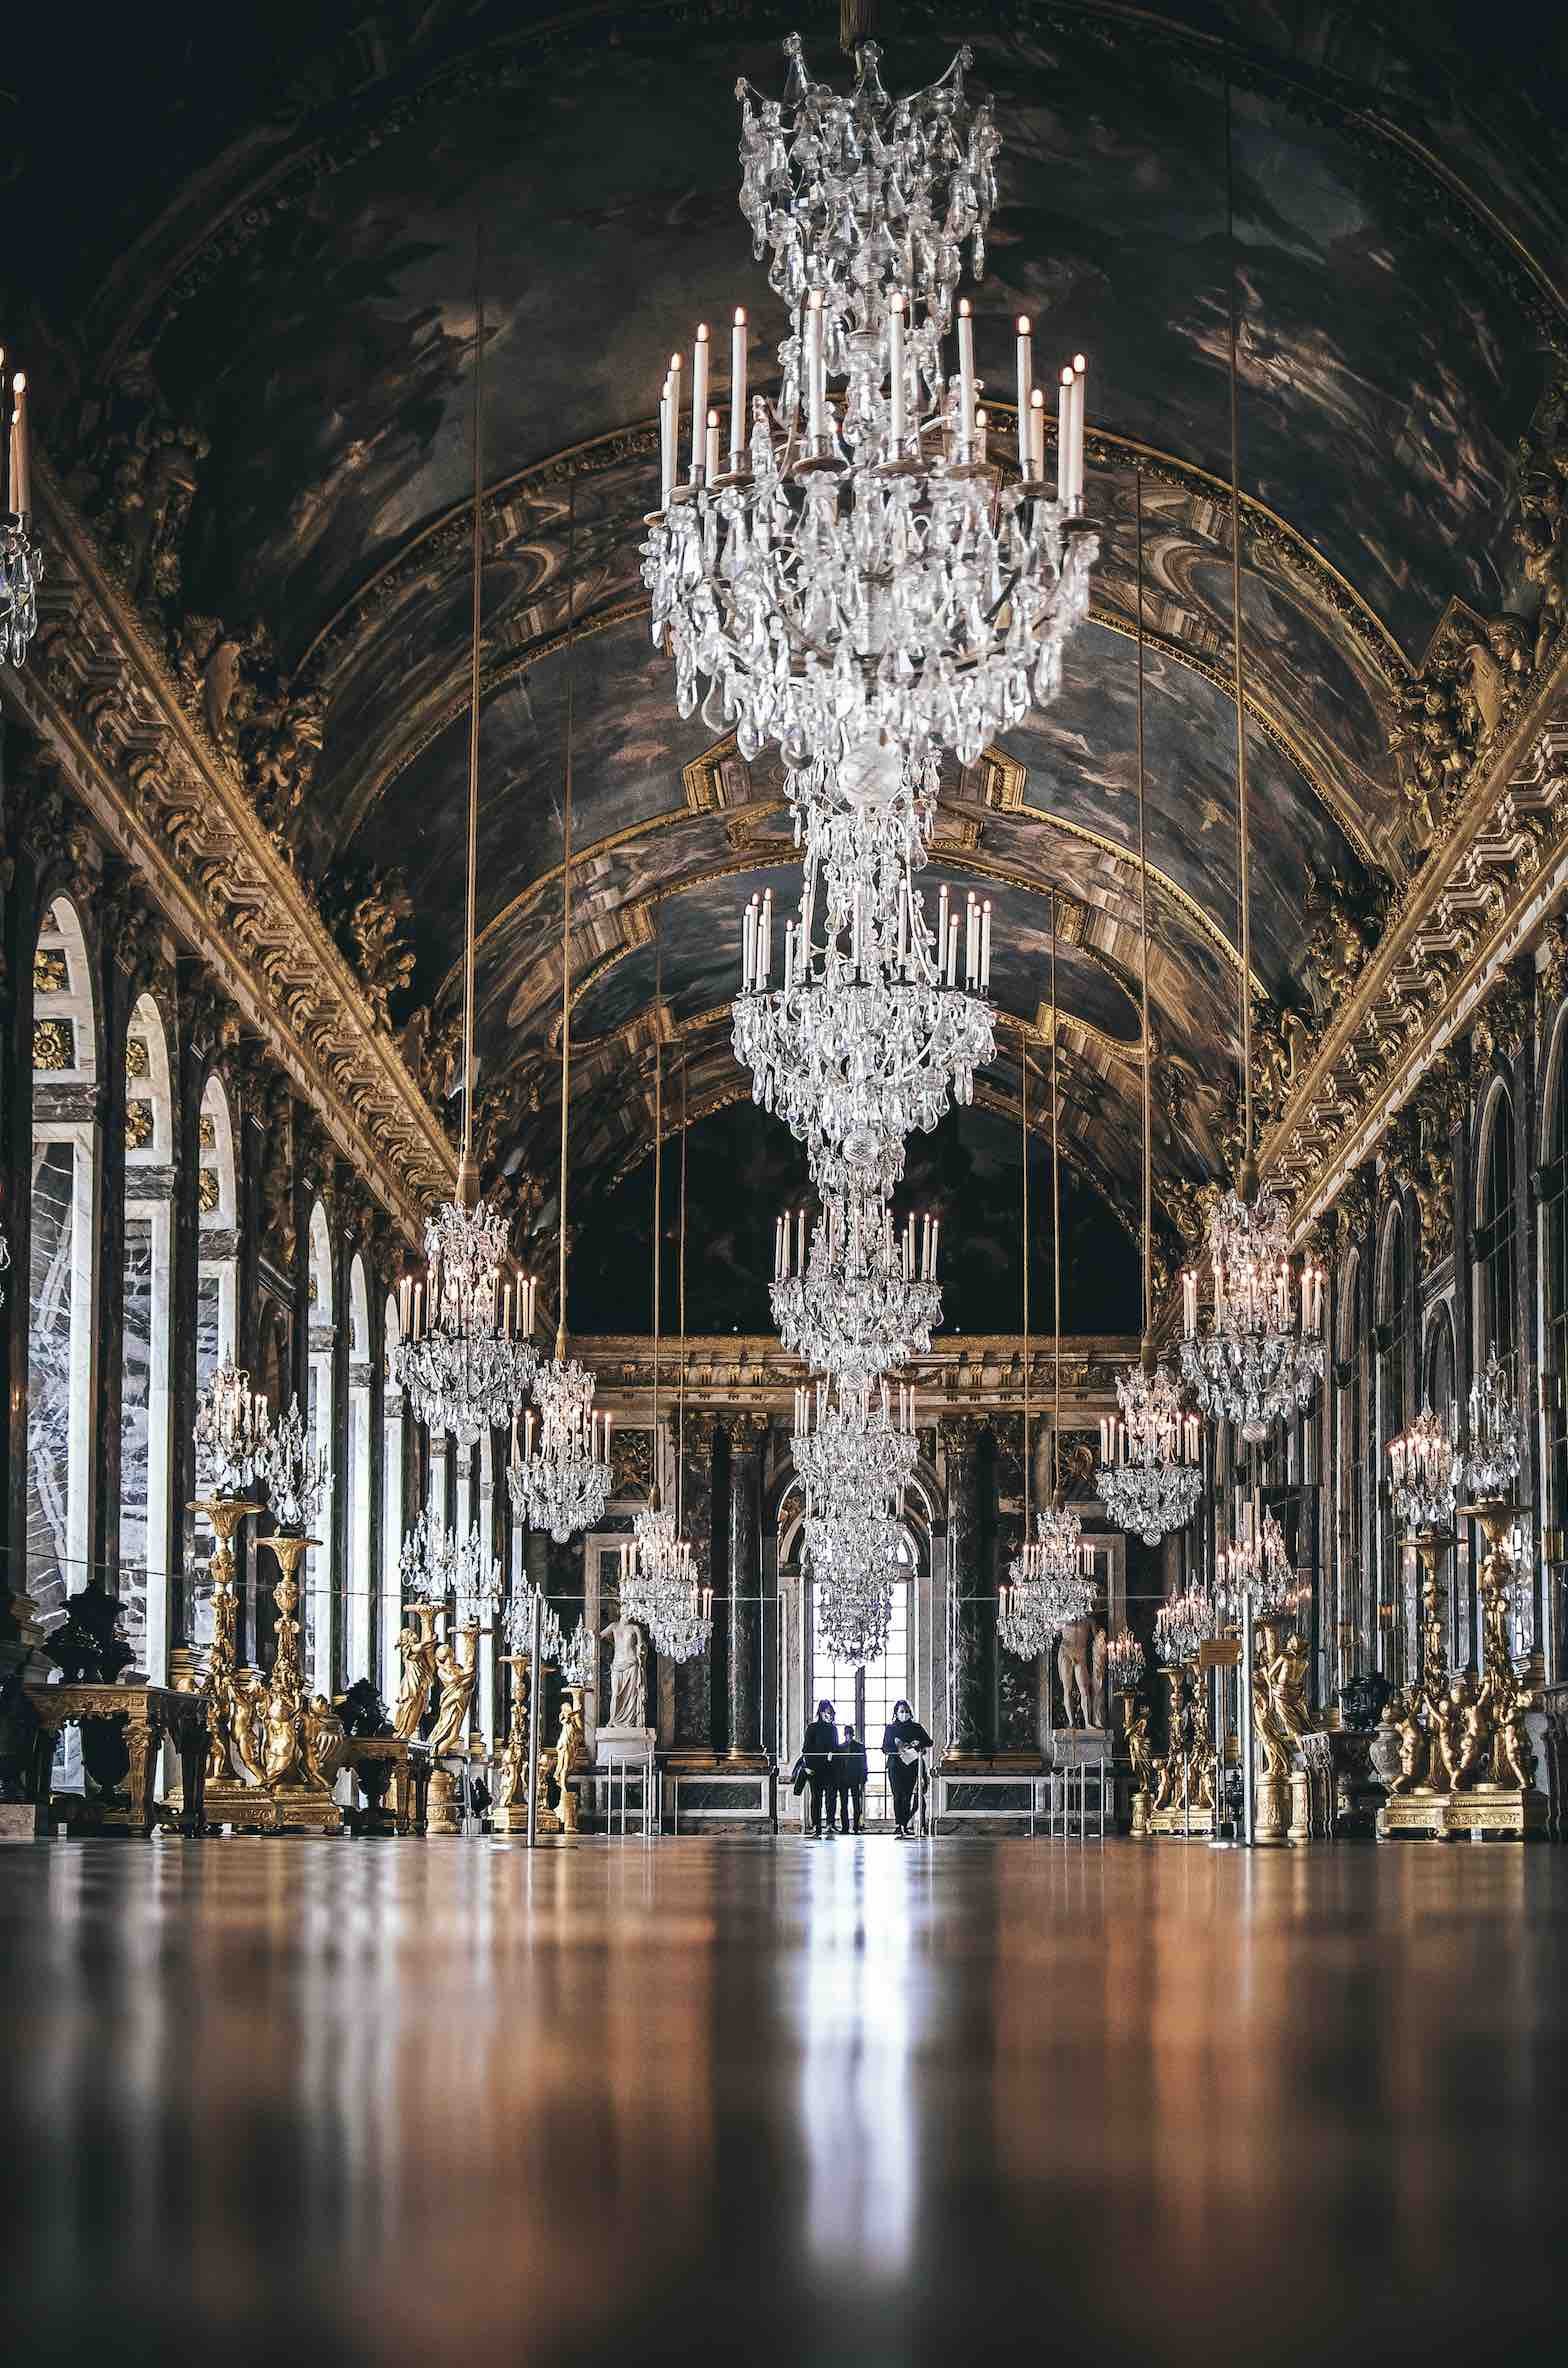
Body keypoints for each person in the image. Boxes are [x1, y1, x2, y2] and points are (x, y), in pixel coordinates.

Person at [882, 1699, 932, 1837]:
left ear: (910, 1712)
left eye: (906, 1711)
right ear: (896, 1713)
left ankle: (904, 1824)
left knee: (907, 1796)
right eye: (901, 1711)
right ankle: (899, 1824)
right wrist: (899, 1748)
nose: (904, 1714)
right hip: (895, 1766)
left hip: (911, 1765)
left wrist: (918, 1743)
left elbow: (929, 1742)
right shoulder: (890, 1728)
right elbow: (884, 1747)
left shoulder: (916, 1727)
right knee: (897, 1795)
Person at [801, 1699, 839, 1836]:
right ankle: (817, 1826)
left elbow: (835, 1747)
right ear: (821, 1713)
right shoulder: (812, 1728)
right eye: (828, 1713)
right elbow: (806, 1749)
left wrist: (833, 1753)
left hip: (830, 1769)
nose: (830, 1716)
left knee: (831, 1798)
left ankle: (830, 1824)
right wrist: (808, 1766)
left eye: (832, 1713)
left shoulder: (833, 1729)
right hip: (815, 1769)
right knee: (816, 1798)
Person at [833, 1721, 869, 1832]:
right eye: (847, 1733)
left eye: (849, 1733)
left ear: (852, 1734)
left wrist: (863, 1777)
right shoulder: (840, 1747)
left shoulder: (859, 1747)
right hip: (843, 1779)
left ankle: (856, 1826)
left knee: (855, 1803)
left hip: (854, 1778)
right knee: (844, 1804)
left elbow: (863, 1763)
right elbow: (837, 1765)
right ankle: (845, 1827)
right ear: (845, 1734)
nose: (848, 1735)